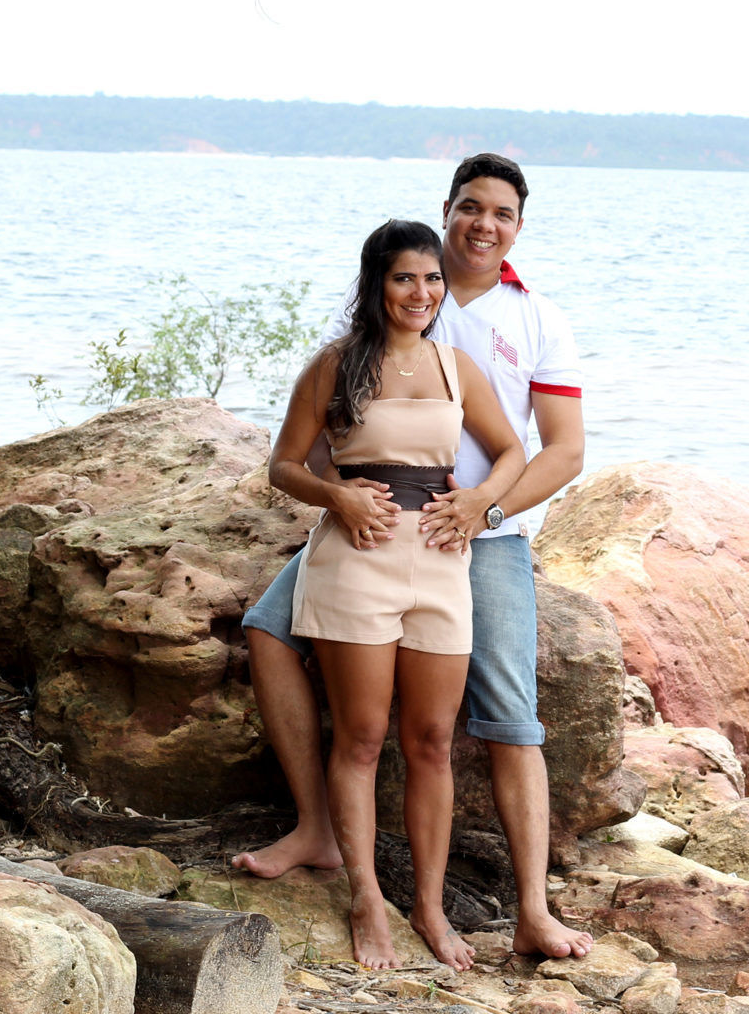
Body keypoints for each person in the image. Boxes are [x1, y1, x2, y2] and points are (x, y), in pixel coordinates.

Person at [237, 155, 594, 960]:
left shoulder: (533, 319)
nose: (484, 224)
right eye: (471, 207)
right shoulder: (363, 338)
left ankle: (531, 910)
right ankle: (321, 834)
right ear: (446, 212)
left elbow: (559, 450)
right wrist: (338, 494)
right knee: (269, 629)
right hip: (367, 538)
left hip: (473, 538)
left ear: (518, 227)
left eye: (501, 213)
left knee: (506, 717)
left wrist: (486, 507)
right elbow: (301, 451)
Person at [266, 218, 525, 971]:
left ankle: (430, 908)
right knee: (360, 739)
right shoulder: (335, 365)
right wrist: (337, 497)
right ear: (376, 282)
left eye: (432, 278)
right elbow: (283, 465)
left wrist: (480, 502)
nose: (421, 293)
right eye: (404, 277)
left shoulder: (456, 366)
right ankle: (367, 899)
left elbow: (512, 452)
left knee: (433, 742)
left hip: (441, 562)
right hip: (357, 560)